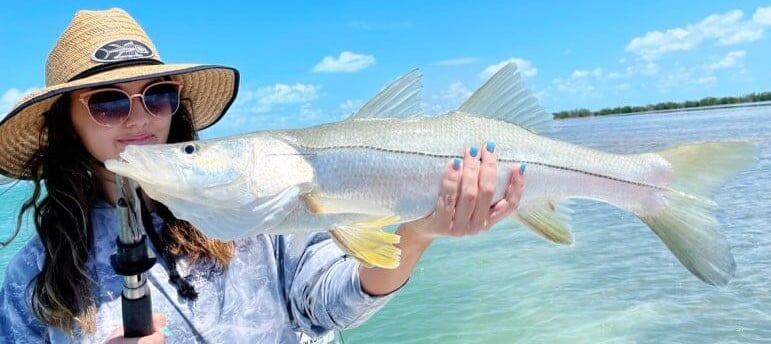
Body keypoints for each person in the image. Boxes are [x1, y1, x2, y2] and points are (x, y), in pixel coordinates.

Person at [0, 8, 525, 343]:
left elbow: (327, 306)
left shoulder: (247, 204)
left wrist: (417, 234)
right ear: (66, 124)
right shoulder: (31, 276)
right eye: (108, 104)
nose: (140, 118)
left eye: (157, 96)